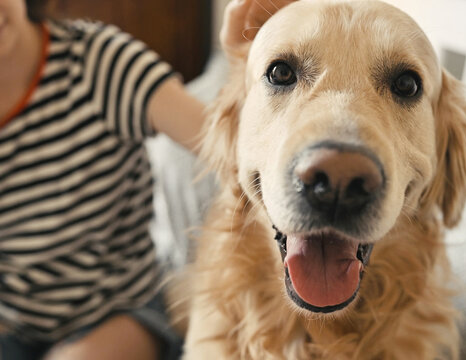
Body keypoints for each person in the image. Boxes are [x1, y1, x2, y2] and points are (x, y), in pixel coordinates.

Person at [0, 0, 294, 359]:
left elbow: (226, 149)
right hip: (14, 325)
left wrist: (243, 63)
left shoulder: (98, 62)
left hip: (122, 307)